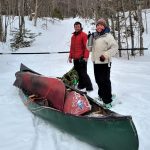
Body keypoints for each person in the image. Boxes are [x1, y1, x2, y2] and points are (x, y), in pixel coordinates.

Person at [88, 18, 118, 108]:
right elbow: (89, 49)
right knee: (98, 80)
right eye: (98, 25)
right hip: (96, 62)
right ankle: (101, 96)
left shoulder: (108, 36)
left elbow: (115, 47)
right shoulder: (94, 36)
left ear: (104, 27)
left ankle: (108, 100)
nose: (99, 27)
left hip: (104, 62)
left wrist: (105, 55)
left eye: (101, 25)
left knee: (105, 81)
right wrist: (89, 39)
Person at [68, 21, 93, 91]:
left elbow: (87, 47)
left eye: (78, 26)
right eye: (75, 27)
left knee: (83, 73)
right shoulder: (73, 37)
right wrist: (70, 56)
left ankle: (89, 87)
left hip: (82, 58)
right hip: (75, 58)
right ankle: (82, 84)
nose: (77, 28)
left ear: (80, 27)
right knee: (78, 73)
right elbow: (72, 48)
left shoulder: (84, 35)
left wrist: (85, 57)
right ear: (74, 27)